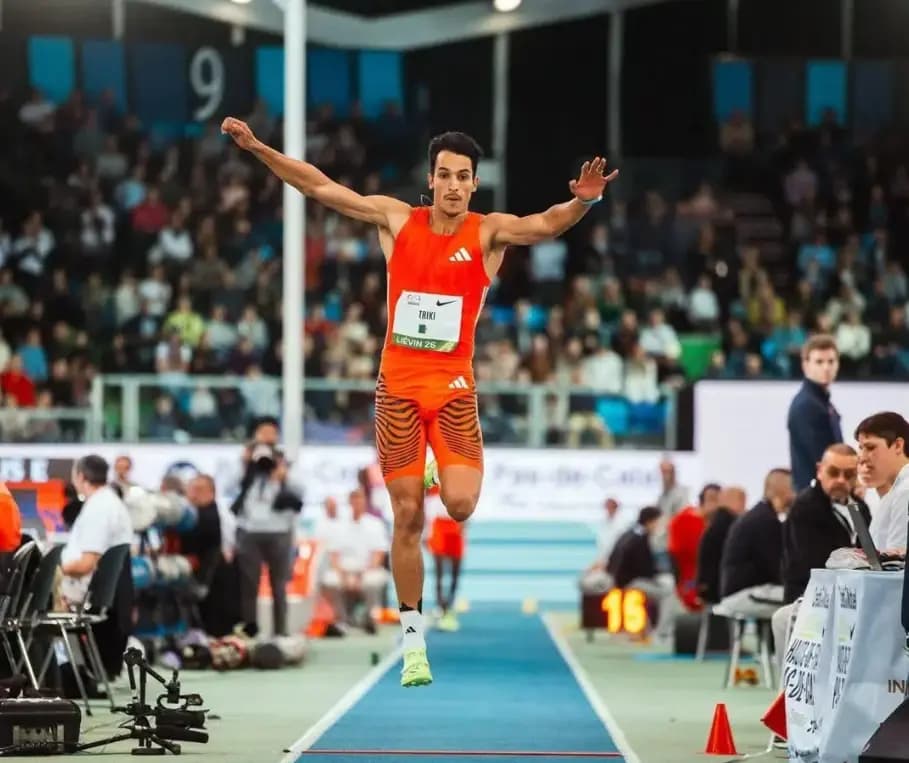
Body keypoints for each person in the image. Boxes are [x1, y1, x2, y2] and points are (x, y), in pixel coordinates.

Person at [222, 116, 619, 686]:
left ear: (475, 183)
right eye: (444, 175)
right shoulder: (395, 219)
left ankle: (437, 466)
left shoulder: (487, 232)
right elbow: (318, 186)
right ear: (430, 180)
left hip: (453, 389)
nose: (453, 185)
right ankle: (412, 640)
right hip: (398, 392)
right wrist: (258, 148)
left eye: (463, 176)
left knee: (459, 507)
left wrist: (582, 203)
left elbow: (545, 224)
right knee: (407, 515)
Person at [773, 444, 869, 672]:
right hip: (808, 596)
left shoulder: (861, 509)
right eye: (834, 472)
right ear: (819, 470)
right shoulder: (805, 508)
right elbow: (814, 564)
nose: (841, 480)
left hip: (851, 597)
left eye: (849, 474)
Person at [787, 335, 842, 491]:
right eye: (819, 362)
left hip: (827, 491)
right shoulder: (807, 405)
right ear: (805, 365)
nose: (826, 367)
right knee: (857, 514)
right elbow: (823, 458)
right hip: (819, 496)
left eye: (831, 361)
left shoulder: (822, 403)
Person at [855, 411, 909, 555]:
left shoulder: (906, 490)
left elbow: (898, 564)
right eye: (861, 448)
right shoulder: (895, 493)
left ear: (898, 445)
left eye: (871, 448)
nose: (862, 458)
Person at [425, 482, 465, 632]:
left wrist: (463, 523)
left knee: (455, 571)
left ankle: (450, 604)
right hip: (438, 525)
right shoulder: (432, 476)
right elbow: (427, 501)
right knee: (439, 570)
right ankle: (440, 606)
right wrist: (426, 532)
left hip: (455, 523)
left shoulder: (459, 474)